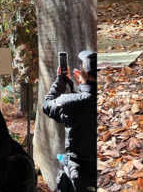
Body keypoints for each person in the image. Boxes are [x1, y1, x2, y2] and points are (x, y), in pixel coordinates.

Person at [43, 50, 97, 192]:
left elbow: (47, 105)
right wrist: (82, 86)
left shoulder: (72, 103)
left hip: (77, 177)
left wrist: (60, 81)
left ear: (83, 73)